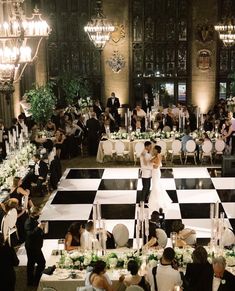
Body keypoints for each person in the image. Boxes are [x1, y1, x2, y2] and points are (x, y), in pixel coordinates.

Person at [24, 207, 46, 286]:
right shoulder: (28, 222)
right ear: (33, 214)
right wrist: (38, 228)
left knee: (31, 263)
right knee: (41, 263)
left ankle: (31, 281)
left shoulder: (33, 220)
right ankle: (36, 280)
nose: (39, 215)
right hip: (32, 247)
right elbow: (30, 234)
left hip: (35, 246)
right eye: (38, 214)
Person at [148, 145, 172, 213]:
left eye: (154, 149)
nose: (153, 150)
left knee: (156, 186)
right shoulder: (156, 155)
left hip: (155, 172)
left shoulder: (158, 156)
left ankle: (157, 200)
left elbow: (156, 166)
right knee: (156, 185)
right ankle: (157, 199)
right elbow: (152, 162)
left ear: (156, 150)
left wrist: (150, 164)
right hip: (154, 173)